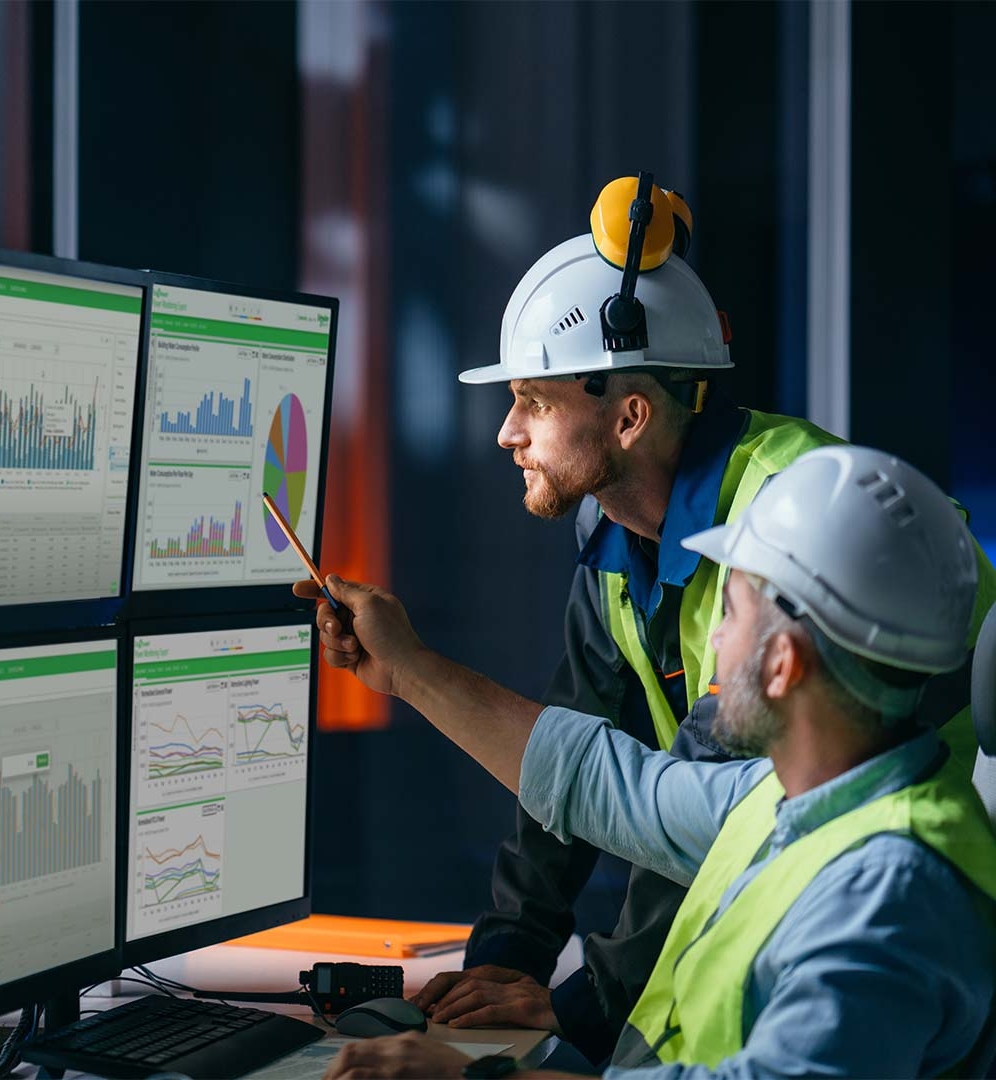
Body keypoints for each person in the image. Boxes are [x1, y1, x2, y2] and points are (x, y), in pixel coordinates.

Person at [405, 173, 993, 1066]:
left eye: (534, 400)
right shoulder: (617, 531)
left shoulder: (788, 531)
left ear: (631, 414)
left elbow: (673, 813)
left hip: (862, 872)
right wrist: (502, 968)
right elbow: (592, 765)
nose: (506, 432)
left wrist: (578, 1008)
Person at [298, 444, 996, 1080]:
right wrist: (409, 670)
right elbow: (607, 785)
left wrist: (464, 1078)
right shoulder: (798, 797)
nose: (714, 635)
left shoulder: (888, 894)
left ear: (784, 664)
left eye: (733, 609)